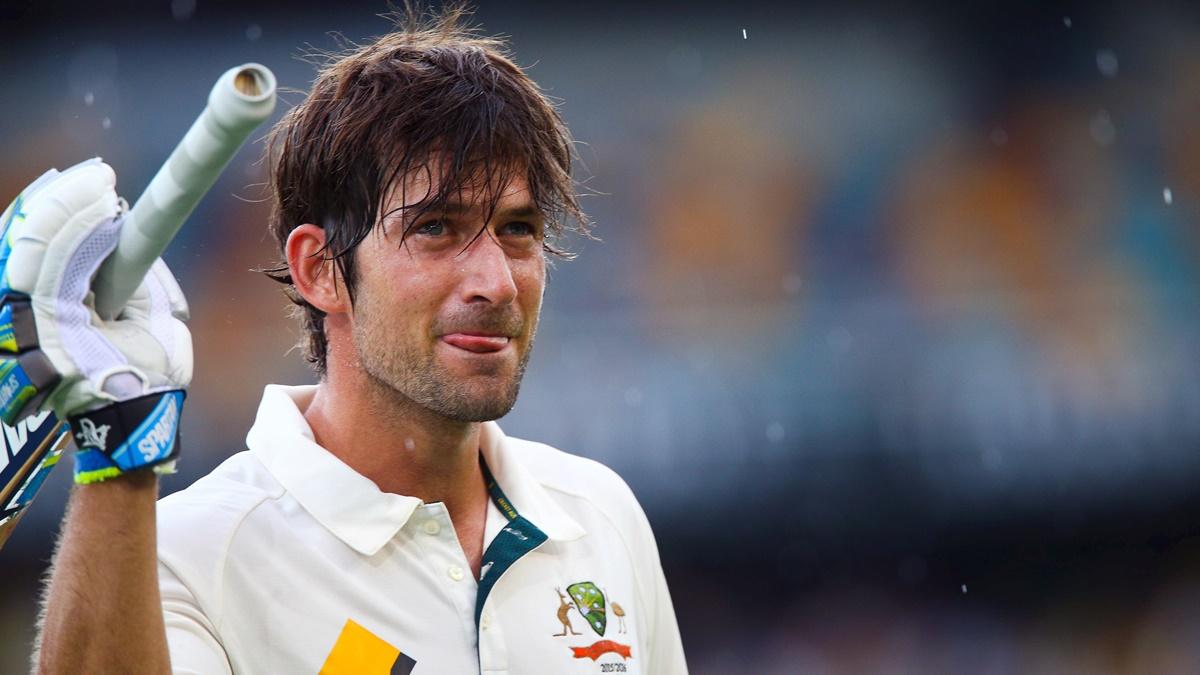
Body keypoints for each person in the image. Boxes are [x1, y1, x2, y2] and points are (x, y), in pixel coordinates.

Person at [20, 5, 687, 674]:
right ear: (320, 269)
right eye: (435, 228)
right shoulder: (192, 557)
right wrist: (118, 460)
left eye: (517, 230)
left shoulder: (602, 514)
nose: (497, 282)